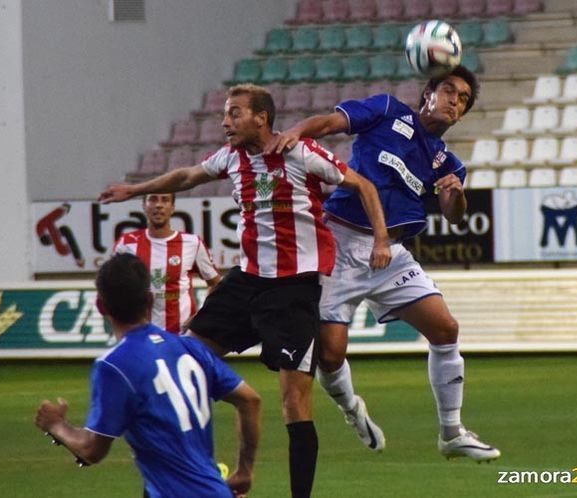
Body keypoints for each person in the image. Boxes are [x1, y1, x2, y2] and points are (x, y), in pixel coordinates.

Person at [98, 84, 392, 498]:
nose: (224, 121)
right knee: (183, 361)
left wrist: (381, 241)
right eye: (224, 113)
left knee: (293, 402)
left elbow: (364, 186)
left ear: (261, 117)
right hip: (248, 281)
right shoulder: (232, 158)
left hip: (294, 289)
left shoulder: (297, 152)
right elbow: (186, 176)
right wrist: (135, 190)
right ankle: (182, 478)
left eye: (234, 113)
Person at [266, 65, 501, 462]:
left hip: (390, 253)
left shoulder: (447, 162)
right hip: (339, 242)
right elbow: (330, 121)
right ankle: (351, 408)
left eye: (462, 100)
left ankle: (451, 432)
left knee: (446, 328)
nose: (453, 101)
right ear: (427, 93)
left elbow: (454, 215)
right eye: (448, 90)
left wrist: (456, 193)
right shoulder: (386, 110)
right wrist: (295, 133)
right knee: (330, 355)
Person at [34, 253, 261, 498]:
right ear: (150, 301)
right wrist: (244, 471)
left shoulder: (114, 366)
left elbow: (91, 449)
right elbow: (250, 400)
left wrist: (56, 425)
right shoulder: (189, 348)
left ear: (101, 306)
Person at [113, 192, 221, 333]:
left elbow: (216, 284)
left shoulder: (192, 243)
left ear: (172, 207)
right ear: (144, 206)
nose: (158, 205)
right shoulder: (126, 243)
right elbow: (113, 287)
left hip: (181, 335)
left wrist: (201, 316)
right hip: (141, 334)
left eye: (165, 200)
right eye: (153, 200)